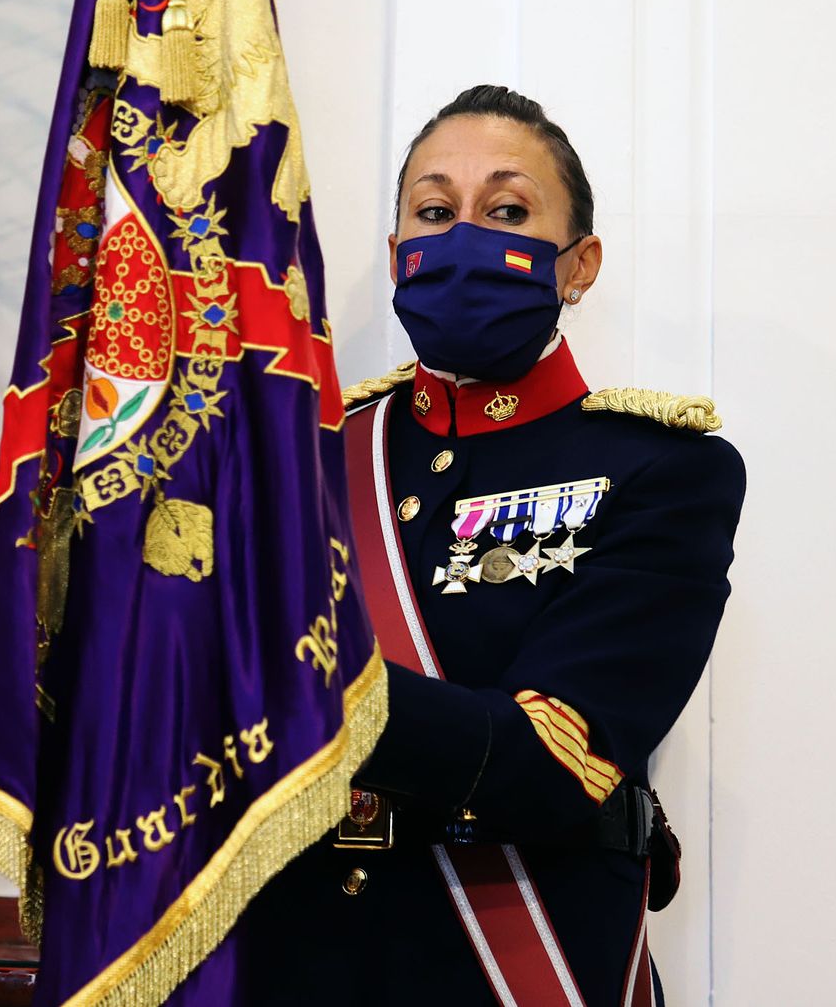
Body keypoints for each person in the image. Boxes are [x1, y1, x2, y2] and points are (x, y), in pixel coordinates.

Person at [237, 85, 745, 1006]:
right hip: (296, 959)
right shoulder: (303, 462)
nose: (463, 235)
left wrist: (293, 688)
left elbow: (553, 763)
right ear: (397, 257)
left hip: (514, 958)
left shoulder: (661, 471)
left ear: (578, 263)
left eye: (507, 210)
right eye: (435, 212)